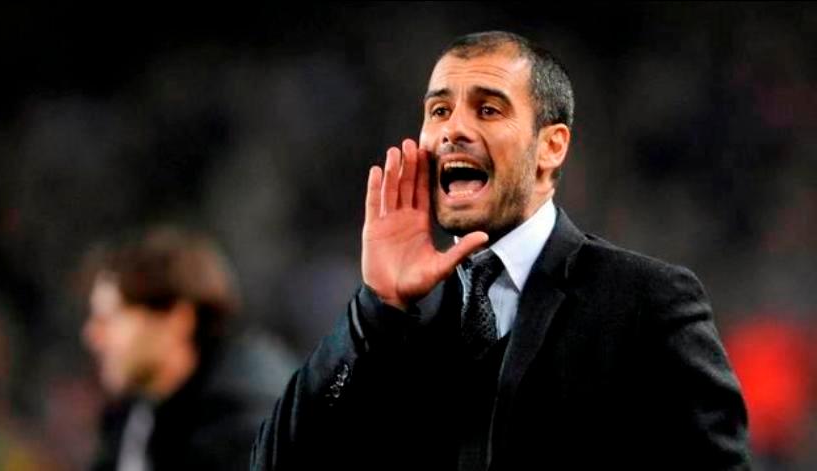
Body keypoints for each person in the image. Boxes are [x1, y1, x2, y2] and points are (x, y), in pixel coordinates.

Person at [252, 31, 750, 470]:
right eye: (439, 111)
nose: (454, 129)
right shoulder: (391, 323)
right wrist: (375, 308)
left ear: (551, 146)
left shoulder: (646, 301)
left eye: (488, 109)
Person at [82, 226, 295, 470]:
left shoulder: (249, 426)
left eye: (109, 319)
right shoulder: (136, 418)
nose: (92, 336)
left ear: (177, 319)